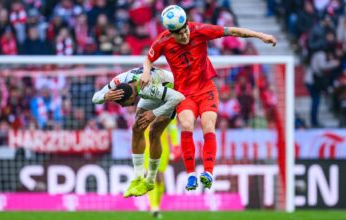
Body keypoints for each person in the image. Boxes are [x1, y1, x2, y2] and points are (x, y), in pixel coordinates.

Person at [139, 5, 277, 191]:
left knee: (208, 125)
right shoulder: (162, 41)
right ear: (171, 33)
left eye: (185, 29)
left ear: (187, 24)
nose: (184, 36)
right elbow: (148, 59)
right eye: (179, 34)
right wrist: (146, 72)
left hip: (206, 90)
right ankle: (190, 175)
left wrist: (261, 35)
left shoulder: (200, 30)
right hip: (184, 93)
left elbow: (232, 31)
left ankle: (208, 172)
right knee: (187, 125)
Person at [92, 67, 185, 197]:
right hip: (152, 91)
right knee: (137, 128)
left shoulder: (147, 88)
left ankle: (150, 180)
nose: (123, 107)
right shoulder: (119, 80)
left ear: (132, 95)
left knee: (154, 131)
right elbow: (95, 98)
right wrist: (104, 96)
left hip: (173, 91)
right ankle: (137, 179)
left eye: (124, 103)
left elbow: (179, 97)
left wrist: (154, 113)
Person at [144, 118, 181, 218]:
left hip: (163, 149)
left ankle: (156, 206)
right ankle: (154, 207)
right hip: (147, 149)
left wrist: (176, 146)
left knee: (160, 179)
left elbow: (173, 129)